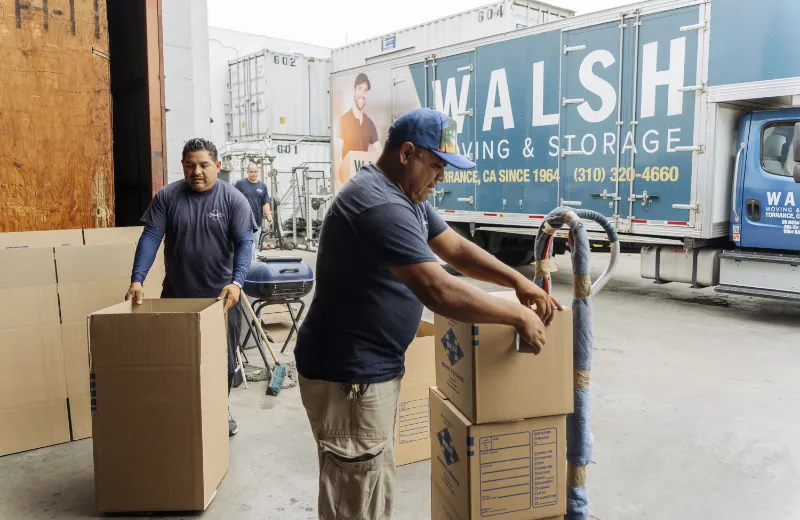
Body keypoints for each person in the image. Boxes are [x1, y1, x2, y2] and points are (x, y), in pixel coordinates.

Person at [294, 108, 561, 520]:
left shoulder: (405, 196)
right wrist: (515, 316)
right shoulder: (378, 204)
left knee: (369, 481)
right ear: (406, 154)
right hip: (348, 377)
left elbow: (453, 248)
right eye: (437, 165)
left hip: (367, 371)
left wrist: (517, 281)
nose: (442, 177)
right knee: (355, 496)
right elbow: (439, 289)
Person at [124, 137, 256, 437]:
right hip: (176, 297)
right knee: (173, 359)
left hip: (222, 300)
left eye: (204, 165)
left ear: (217, 166)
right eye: (189, 165)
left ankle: (220, 409)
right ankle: (178, 409)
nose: (196, 171)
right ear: (182, 166)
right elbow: (151, 238)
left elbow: (245, 244)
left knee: (223, 361)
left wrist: (237, 283)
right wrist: (137, 278)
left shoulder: (233, 199)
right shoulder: (167, 197)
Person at [335, 72, 383, 183]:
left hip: (364, 181)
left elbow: (379, 150)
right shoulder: (344, 120)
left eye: (365, 90)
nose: (362, 94)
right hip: (348, 182)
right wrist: (338, 180)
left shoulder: (369, 123)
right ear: (354, 90)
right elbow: (337, 150)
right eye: (360, 88)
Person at [234, 162, 273, 257]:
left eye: (255, 171)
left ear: (258, 172)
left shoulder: (262, 186)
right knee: (246, 244)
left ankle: (250, 264)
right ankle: (247, 264)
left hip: (257, 221)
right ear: (247, 172)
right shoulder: (240, 184)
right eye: (251, 172)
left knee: (254, 244)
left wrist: (269, 215)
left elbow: (265, 203)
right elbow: (233, 198)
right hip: (243, 221)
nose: (253, 174)